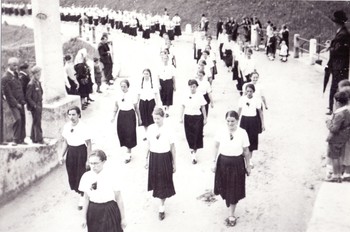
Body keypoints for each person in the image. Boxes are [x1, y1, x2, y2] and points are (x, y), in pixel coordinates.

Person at [212, 110, 251, 227]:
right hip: (222, 163)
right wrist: (213, 162)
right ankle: (229, 203)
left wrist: (248, 165)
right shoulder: (221, 131)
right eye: (228, 121)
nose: (230, 124)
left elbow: (246, 151)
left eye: (232, 121)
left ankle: (231, 214)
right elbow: (215, 146)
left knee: (233, 189)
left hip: (237, 163)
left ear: (237, 121)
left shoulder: (243, 133)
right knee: (224, 187)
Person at [79, 149, 126, 231]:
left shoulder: (112, 175)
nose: (93, 166)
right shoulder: (86, 177)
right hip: (93, 211)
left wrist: (123, 218)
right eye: (91, 163)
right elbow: (86, 198)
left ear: (103, 162)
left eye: (96, 163)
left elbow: (119, 198)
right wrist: (83, 218)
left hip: (109, 210)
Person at [145, 107, 176, 220]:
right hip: (154, 157)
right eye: (154, 118)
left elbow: (173, 147)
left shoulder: (169, 129)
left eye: (158, 118)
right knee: (156, 181)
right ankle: (160, 201)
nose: (156, 121)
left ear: (163, 117)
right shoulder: (150, 128)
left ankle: (161, 206)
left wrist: (174, 163)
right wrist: (146, 159)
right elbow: (148, 145)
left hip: (164, 157)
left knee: (163, 181)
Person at [61, 106, 92, 209]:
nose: (71, 117)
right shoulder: (66, 126)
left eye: (73, 114)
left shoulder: (84, 127)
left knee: (81, 175)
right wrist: (61, 155)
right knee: (72, 175)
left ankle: (82, 198)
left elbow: (89, 144)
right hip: (71, 153)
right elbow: (65, 142)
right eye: (69, 114)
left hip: (81, 153)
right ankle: (82, 193)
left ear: (79, 114)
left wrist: (88, 159)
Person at [326, 10, 350, 115]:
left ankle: (333, 108)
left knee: (337, 86)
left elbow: (338, 50)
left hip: (339, 65)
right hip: (340, 65)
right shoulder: (342, 31)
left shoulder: (343, 34)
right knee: (338, 86)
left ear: (338, 22)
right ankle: (334, 106)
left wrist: (329, 47)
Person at [111, 79, 141, 163]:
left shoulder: (132, 95)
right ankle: (128, 150)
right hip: (121, 115)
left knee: (130, 133)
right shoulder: (118, 95)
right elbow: (116, 106)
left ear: (128, 86)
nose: (123, 88)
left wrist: (139, 118)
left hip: (130, 115)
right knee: (122, 133)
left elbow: (136, 108)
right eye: (121, 86)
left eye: (124, 86)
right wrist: (113, 116)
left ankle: (128, 154)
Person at [179, 79, 207, 164]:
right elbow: (183, 106)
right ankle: (192, 153)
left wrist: (205, 118)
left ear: (197, 87)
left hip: (198, 117)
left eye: (194, 86)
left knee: (197, 135)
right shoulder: (185, 94)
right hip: (188, 116)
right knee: (189, 135)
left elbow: (203, 107)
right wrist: (180, 117)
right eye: (191, 86)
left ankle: (194, 153)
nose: (192, 88)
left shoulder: (200, 95)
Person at [325, 91, 350, 183]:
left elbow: (334, 129)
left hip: (335, 139)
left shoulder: (339, 114)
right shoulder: (347, 111)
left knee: (334, 157)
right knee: (339, 157)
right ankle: (339, 175)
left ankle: (336, 176)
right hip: (343, 138)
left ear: (338, 103)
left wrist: (328, 123)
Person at [1, 57, 26, 145]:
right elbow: (8, 94)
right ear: (9, 65)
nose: (16, 67)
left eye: (17, 65)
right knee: (17, 119)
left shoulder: (16, 75)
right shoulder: (5, 78)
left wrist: (22, 101)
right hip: (13, 104)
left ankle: (21, 139)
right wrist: (16, 104)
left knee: (23, 119)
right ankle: (15, 139)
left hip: (21, 102)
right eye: (14, 65)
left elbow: (19, 88)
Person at [238, 84, 265, 164]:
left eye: (251, 91)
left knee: (252, 140)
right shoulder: (242, 99)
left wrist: (263, 124)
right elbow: (239, 111)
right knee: (242, 139)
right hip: (244, 121)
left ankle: (249, 160)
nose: (249, 93)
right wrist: (236, 121)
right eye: (247, 91)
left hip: (253, 121)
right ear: (245, 91)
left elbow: (260, 113)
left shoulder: (257, 100)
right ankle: (243, 158)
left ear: (253, 91)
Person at [137, 69, 159, 140]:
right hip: (143, 102)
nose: (146, 75)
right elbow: (138, 94)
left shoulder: (153, 83)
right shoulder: (140, 83)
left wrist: (157, 104)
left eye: (147, 74)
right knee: (144, 118)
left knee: (152, 118)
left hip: (151, 102)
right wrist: (137, 103)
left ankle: (154, 133)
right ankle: (146, 134)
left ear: (149, 74)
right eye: (144, 74)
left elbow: (156, 94)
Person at [25, 66, 44, 144]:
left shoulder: (38, 82)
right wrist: (34, 105)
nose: (39, 76)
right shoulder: (31, 84)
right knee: (37, 122)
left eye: (40, 74)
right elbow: (28, 97)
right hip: (35, 106)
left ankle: (34, 138)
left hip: (39, 104)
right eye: (38, 74)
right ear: (34, 74)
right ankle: (39, 139)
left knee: (36, 121)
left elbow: (41, 92)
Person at [157, 52, 176, 117]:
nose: (165, 59)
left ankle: (167, 110)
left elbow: (173, 76)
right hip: (162, 82)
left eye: (166, 58)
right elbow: (158, 76)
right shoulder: (159, 66)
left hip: (169, 82)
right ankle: (164, 107)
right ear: (162, 59)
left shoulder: (171, 67)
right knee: (163, 96)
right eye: (164, 58)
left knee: (169, 95)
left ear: (168, 59)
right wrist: (158, 84)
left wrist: (174, 85)